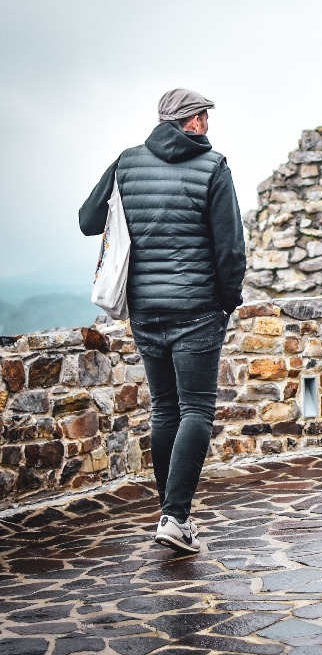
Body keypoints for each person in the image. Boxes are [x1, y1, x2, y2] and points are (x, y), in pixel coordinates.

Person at [79, 88, 246, 553]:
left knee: (165, 409)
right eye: (203, 116)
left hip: (146, 311)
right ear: (189, 121)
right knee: (197, 409)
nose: (207, 125)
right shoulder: (213, 167)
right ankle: (175, 517)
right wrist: (227, 302)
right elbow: (230, 248)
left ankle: (170, 515)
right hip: (198, 310)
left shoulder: (126, 162)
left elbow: (88, 221)